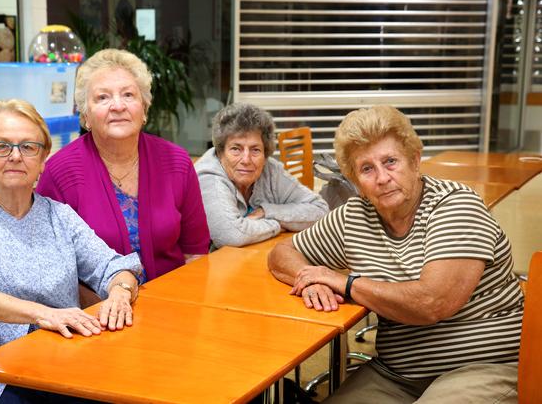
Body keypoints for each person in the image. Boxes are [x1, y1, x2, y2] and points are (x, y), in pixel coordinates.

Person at [268, 105, 523, 403]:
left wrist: (347, 283)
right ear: (355, 180)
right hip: (399, 372)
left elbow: (432, 302)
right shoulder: (354, 216)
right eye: (366, 169)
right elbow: (282, 252)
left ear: (415, 161)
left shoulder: (455, 206)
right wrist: (313, 279)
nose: (382, 178)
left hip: (484, 364)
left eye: (390, 162)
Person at [0, 99, 143, 404]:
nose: (15, 156)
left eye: (28, 147)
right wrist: (45, 314)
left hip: (58, 359)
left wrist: (120, 292)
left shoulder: (60, 216)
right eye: (1, 146)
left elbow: (113, 265)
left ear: (43, 159)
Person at [37, 49, 210, 282]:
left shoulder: (177, 163)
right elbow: (54, 270)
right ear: (85, 115)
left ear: (144, 108)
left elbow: (195, 252)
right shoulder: (59, 173)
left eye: (128, 95)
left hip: (173, 303)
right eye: (102, 97)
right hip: (95, 311)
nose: (118, 106)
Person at [195, 102, 329, 248]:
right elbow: (232, 235)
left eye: (255, 150)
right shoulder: (209, 177)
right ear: (220, 152)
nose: (246, 160)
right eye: (236, 149)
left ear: (265, 153)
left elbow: (321, 211)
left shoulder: (270, 170)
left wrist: (266, 211)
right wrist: (278, 225)